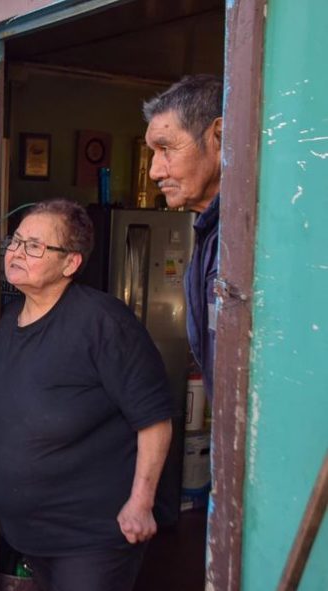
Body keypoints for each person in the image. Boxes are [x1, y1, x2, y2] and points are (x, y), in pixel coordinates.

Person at [0, 199, 174, 591]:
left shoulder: (104, 323)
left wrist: (140, 502)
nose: (16, 252)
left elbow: (154, 420)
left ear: (70, 264)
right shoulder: (11, 318)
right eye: (16, 241)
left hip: (91, 536)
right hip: (34, 533)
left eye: (35, 246)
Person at [143, 74, 223, 401]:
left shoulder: (261, 235)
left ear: (220, 136)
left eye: (166, 149)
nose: (154, 172)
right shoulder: (210, 231)